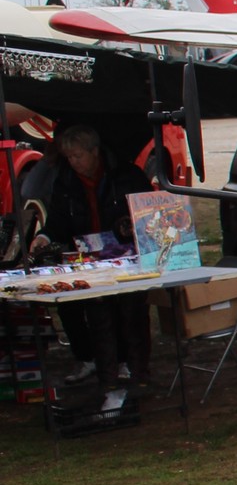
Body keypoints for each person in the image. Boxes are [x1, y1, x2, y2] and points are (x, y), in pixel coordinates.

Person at [27, 125, 154, 415]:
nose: (73, 162)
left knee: (131, 314)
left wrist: (129, 227)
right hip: (90, 259)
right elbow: (58, 220)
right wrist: (44, 236)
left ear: (95, 152)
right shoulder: (66, 181)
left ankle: (135, 372)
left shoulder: (126, 175)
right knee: (98, 315)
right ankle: (109, 376)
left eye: (78, 156)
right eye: (69, 157)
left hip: (127, 258)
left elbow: (148, 212)